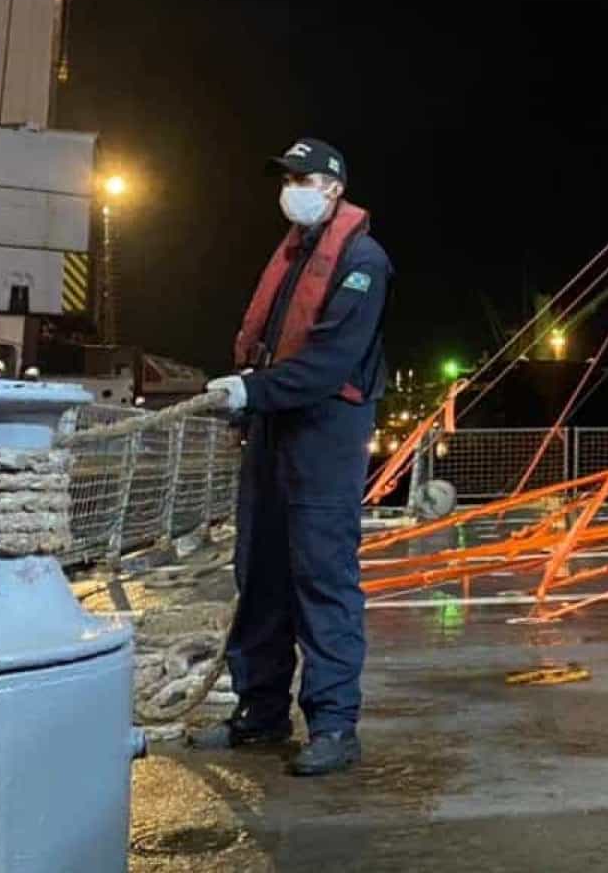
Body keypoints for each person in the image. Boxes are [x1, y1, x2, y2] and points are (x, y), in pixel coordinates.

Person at [189, 138, 391, 777]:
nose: (290, 189)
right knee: (263, 574)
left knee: (323, 578)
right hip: (275, 431)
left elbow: (329, 362)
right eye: (285, 178)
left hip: (324, 435)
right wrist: (253, 397)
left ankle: (334, 724)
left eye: (302, 178)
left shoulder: (362, 261)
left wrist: (252, 389)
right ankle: (261, 711)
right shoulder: (296, 256)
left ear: (333, 187)